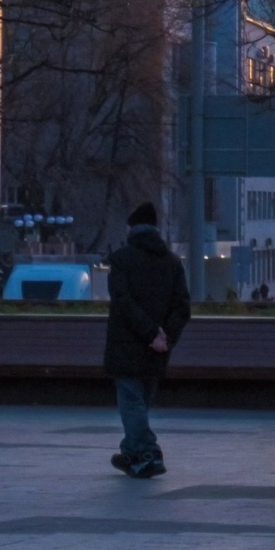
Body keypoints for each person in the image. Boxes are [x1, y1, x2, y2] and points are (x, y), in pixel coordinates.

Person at [102, 201, 191, 479]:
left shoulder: (121, 260)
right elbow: (182, 307)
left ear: (132, 230)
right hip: (158, 350)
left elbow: (123, 303)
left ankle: (148, 452)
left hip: (127, 346)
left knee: (131, 403)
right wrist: (165, 337)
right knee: (141, 402)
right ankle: (131, 453)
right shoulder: (173, 263)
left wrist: (150, 333)